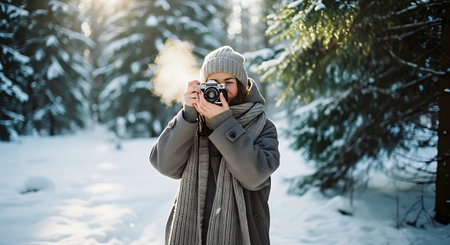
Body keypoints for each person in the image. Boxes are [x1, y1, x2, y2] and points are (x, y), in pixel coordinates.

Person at [149, 46, 280, 245]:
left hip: (245, 234)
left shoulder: (262, 126)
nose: (222, 90)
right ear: (203, 87)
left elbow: (254, 177)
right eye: (214, 84)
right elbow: (165, 165)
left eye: (229, 82)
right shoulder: (194, 122)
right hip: (193, 231)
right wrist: (187, 116)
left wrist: (224, 122)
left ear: (243, 85)